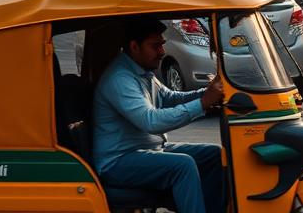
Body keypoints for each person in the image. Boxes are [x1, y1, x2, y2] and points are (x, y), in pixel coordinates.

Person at [92, 16, 226, 213]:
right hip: (118, 161)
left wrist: (206, 94)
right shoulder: (120, 79)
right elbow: (151, 121)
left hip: (148, 149)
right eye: (155, 46)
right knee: (183, 165)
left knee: (214, 155)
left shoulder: (142, 71)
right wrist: (203, 103)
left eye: (162, 45)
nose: (162, 52)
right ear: (134, 46)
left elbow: (169, 97)